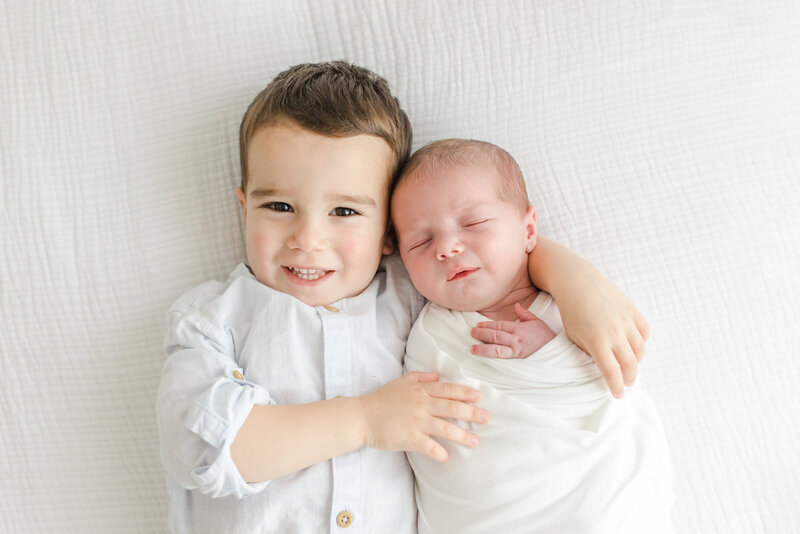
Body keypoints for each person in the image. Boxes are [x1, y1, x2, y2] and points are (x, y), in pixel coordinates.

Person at [156, 62, 652, 533]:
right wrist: (366, 419)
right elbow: (202, 449)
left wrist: (579, 284)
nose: (307, 238)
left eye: (345, 212)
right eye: (279, 206)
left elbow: (497, 262)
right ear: (244, 207)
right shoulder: (211, 319)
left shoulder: (414, 295)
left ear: (390, 233)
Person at [392, 138, 673, 534]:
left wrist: (551, 354)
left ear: (528, 229)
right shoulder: (428, 333)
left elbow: (615, 382)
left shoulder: (569, 308)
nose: (447, 248)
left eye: (472, 224)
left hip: (594, 505)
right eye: (421, 241)